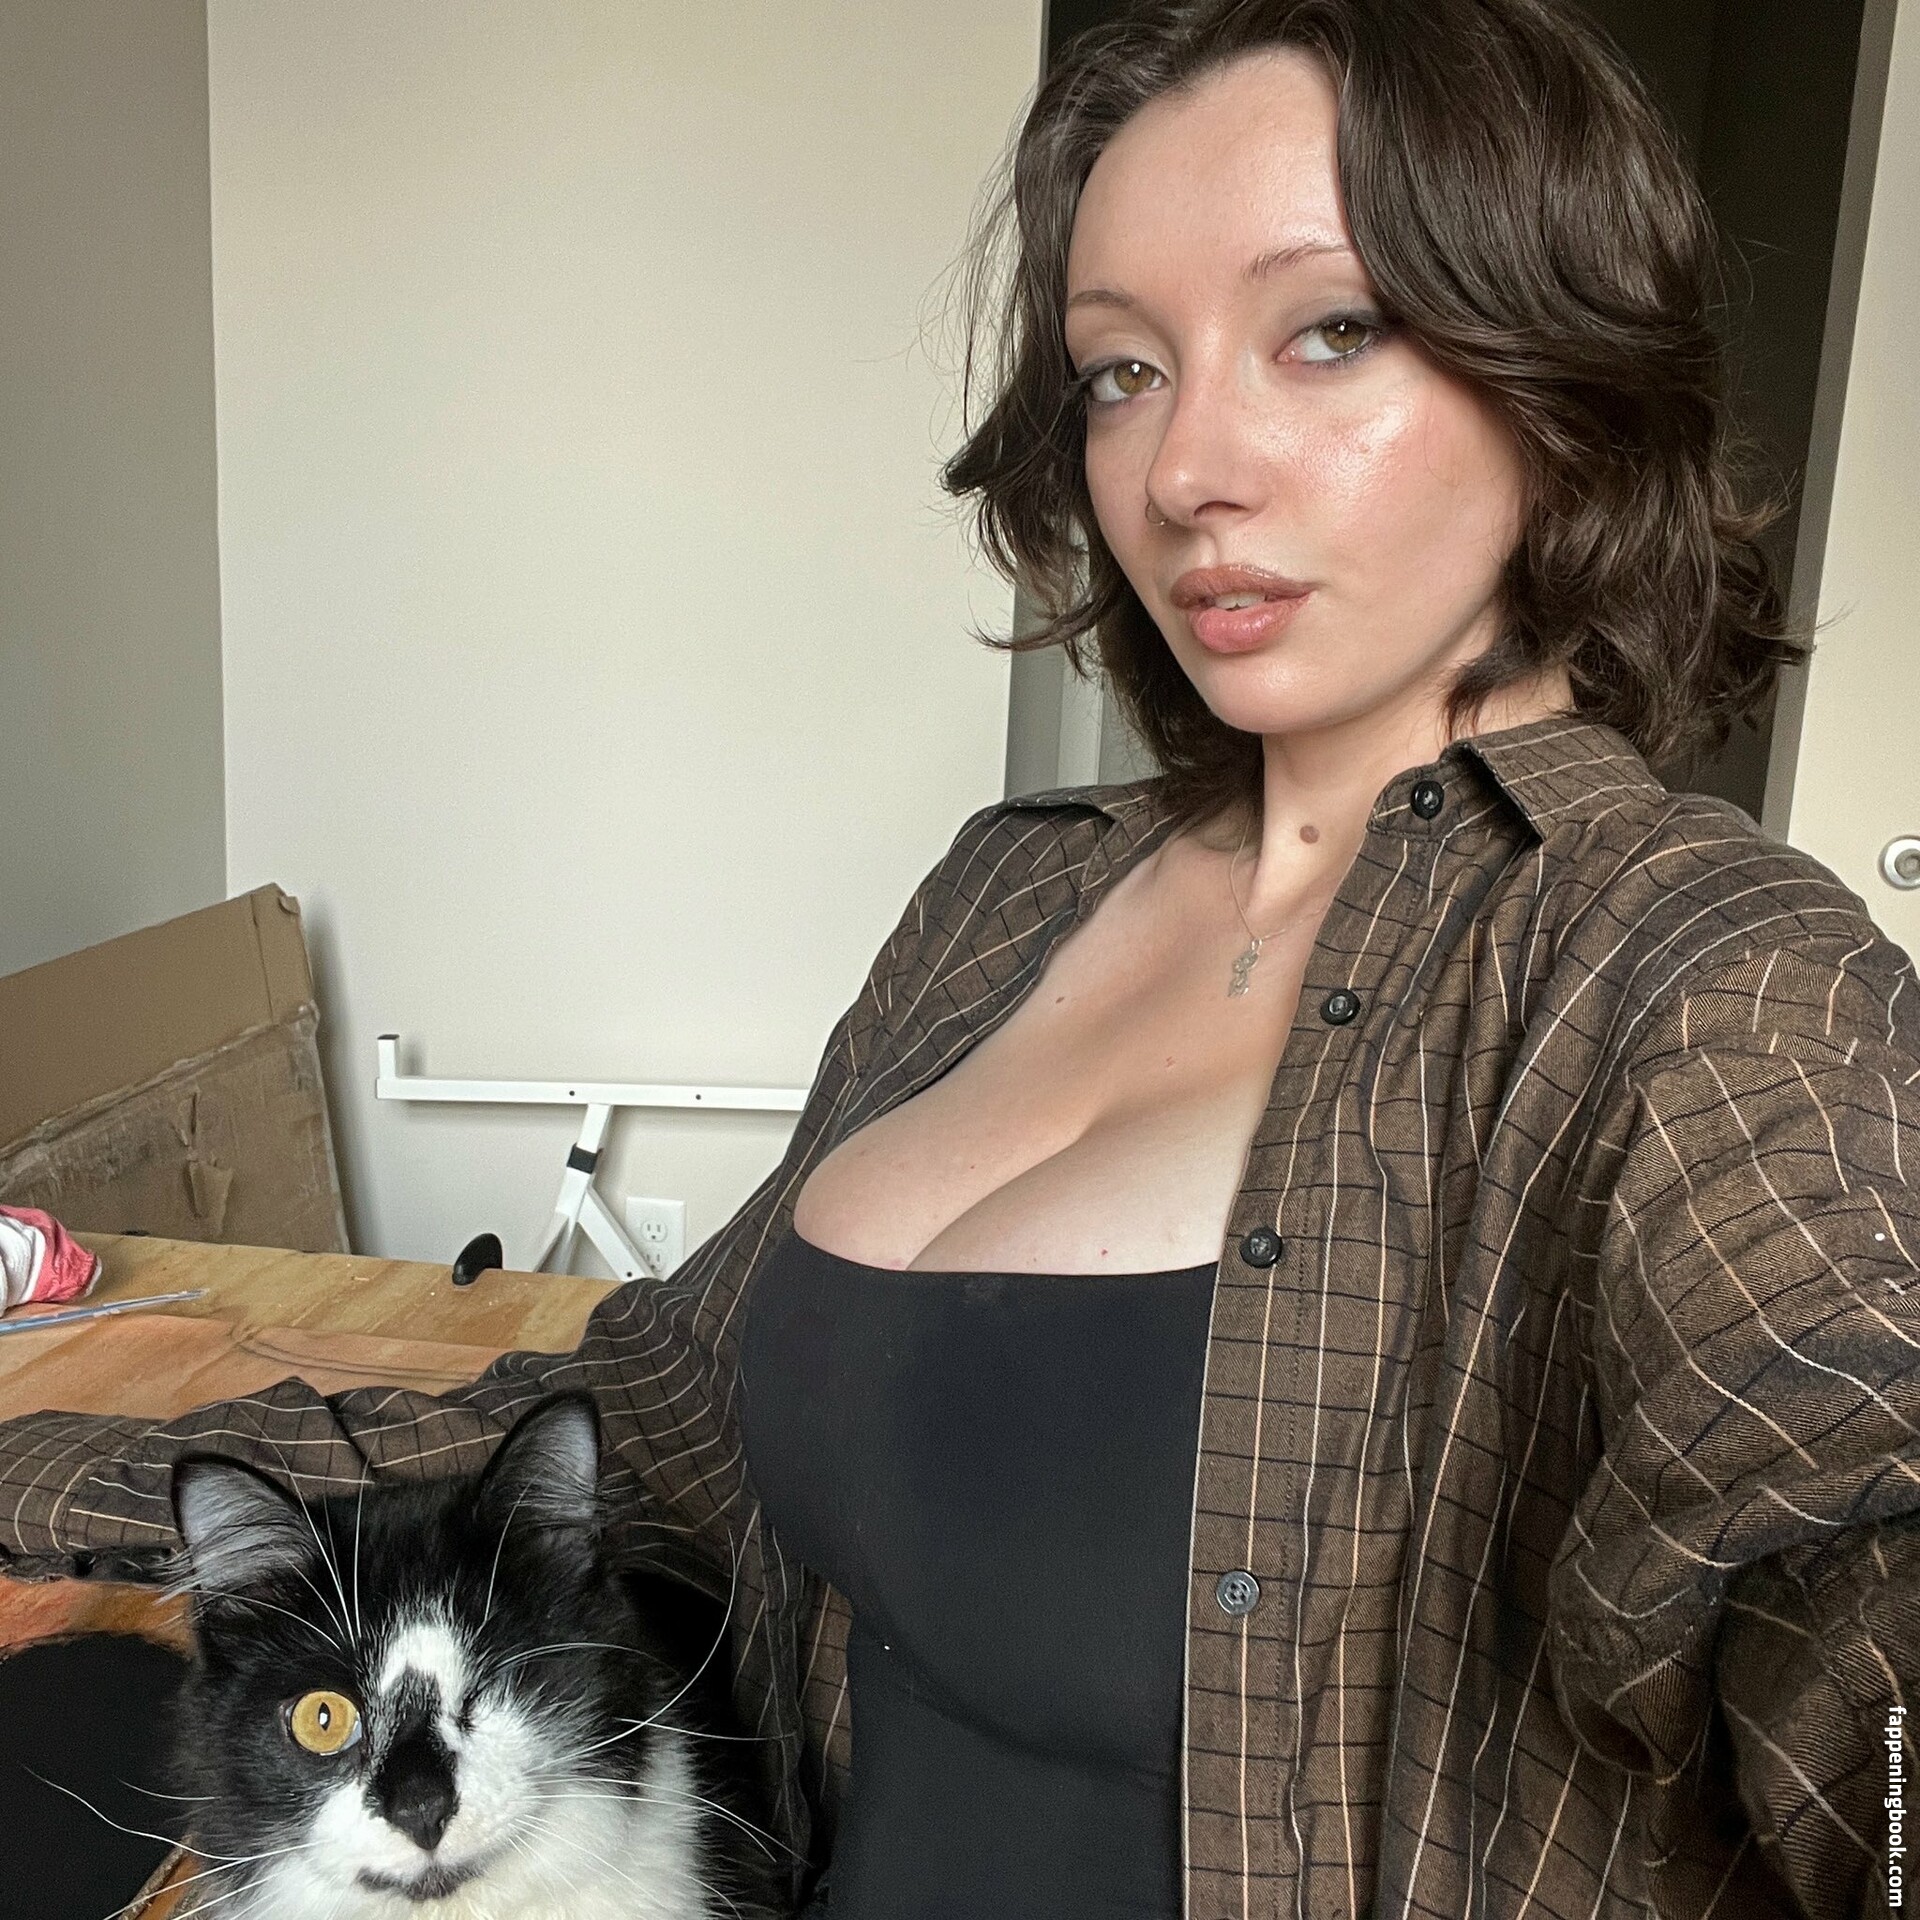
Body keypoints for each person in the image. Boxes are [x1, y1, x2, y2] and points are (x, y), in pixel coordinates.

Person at [2, 1, 1913, 1914]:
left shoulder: (1704, 981)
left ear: (1564, 363)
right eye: (1122, 371)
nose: (1186, 469)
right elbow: (670, 1414)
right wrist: (40, 1462)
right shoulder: (1010, 894)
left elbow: (1851, 1516)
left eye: (1330, 330)